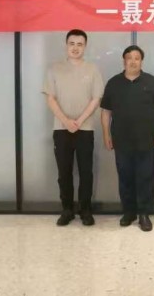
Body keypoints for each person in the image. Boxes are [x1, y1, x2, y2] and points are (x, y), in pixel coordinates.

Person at [100, 45, 154, 232]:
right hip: (122, 140)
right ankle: (128, 212)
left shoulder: (151, 81)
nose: (133, 61)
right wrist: (106, 134)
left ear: (141, 61)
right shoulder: (114, 83)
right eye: (129, 58)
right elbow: (106, 111)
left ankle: (144, 214)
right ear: (124, 61)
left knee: (146, 177)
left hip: (147, 140)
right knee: (125, 177)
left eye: (137, 58)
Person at [43, 29, 104, 226]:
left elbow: (96, 99)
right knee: (64, 172)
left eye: (80, 44)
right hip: (61, 129)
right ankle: (67, 210)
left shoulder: (92, 69)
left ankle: (85, 210)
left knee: (86, 172)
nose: (75, 48)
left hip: (85, 129)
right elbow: (50, 98)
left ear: (85, 47)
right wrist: (66, 121)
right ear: (66, 45)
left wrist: (79, 121)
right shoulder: (54, 69)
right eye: (72, 43)